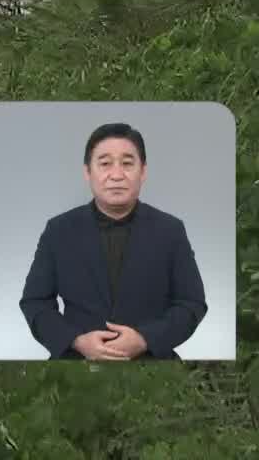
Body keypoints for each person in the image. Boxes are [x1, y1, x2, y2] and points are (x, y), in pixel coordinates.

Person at [18, 123, 207, 360]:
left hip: (153, 365)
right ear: (88, 172)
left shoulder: (171, 230)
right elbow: (35, 302)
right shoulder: (58, 230)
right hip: (75, 364)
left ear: (143, 171)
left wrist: (145, 339)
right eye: (105, 164)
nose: (116, 175)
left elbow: (192, 303)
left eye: (127, 163)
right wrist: (76, 340)